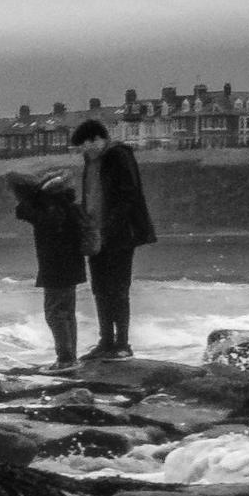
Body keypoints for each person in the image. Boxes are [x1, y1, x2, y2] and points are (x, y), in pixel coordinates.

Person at [70, 119, 156, 361]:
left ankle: (123, 344)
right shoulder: (91, 159)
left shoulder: (118, 155)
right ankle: (105, 341)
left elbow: (129, 195)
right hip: (95, 233)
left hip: (120, 234)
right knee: (99, 288)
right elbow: (90, 196)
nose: (81, 151)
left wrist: (108, 226)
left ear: (96, 139)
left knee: (118, 288)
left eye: (83, 145)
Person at [9, 170, 84, 372]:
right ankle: (70, 357)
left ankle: (65, 359)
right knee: (67, 312)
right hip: (72, 266)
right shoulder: (66, 205)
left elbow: (26, 213)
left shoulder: (48, 208)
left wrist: (32, 198)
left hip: (55, 267)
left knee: (54, 314)